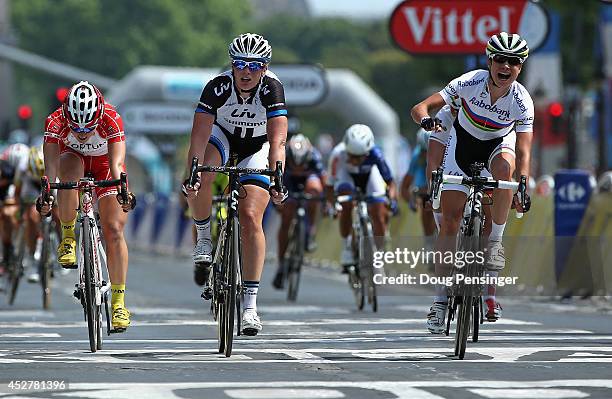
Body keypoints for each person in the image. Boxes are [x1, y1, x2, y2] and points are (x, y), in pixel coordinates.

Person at [411, 32, 533, 333]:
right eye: (500, 60)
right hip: (460, 146)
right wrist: (426, 120)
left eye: (513, 62)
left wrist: (523, 185)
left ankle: (495, 242)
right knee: (450, 224)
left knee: (507, 169)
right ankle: (440, 301)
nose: (506, 66)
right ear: (490, 61)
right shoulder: (469, 82)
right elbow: (420, 109)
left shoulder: (522, 100)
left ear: (520, 68)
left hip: (496, 147)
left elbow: (524, 149)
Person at [182, 33, 287, 336]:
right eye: (240, 64)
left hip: (257, 147)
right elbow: (199, 137)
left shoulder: (272, 88)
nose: (246, 72)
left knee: (252, 217)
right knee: (203, 175)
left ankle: (250, 306)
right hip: (223, 139)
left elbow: (278, 139)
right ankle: (203, 238)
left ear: (265, 68)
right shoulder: (217, 87)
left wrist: (278, 174)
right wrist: (193, 171)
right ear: (231, 65)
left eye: (254, 66)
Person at [36, 81, 136, 332]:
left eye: (88, 125)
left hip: (104, 166)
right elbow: (50, 172)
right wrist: (46, 196)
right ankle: (68, 237)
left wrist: (123, 191)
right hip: (74, 162)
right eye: (75, 125)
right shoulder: (54, 121)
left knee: (113, 230)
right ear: (66, 115)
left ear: (99, 115)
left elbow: (117, 166)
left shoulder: (112, 118)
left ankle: (119, 302)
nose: (81, 131)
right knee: (68, 168)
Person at [326, 124, 398, 270]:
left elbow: (390, 182)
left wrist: (391, 199)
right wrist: (332, 205)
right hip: (346, 177)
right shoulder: (337, 154)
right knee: (346, 203)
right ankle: (346, 246)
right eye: (351, 155)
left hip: (370, 177)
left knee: (378, 211)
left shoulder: (376, 154)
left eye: (359, 157)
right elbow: (329, 185)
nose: (355, 160)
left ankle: (380, 251)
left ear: (368, 152)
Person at [272, 134, 325, 289]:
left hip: (308, 182)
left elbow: (325, 183)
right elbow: (276, 182)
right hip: (288, 183)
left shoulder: (315, 157)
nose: (298, 168)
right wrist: (278, 203)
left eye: (301, 164)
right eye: (294, 164)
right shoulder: (284, 156)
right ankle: (282, 264)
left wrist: (327, 203)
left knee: (314, 191)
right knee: (286, 218)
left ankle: (310, 231)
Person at [401, 129, 436, 252]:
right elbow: (404, 186)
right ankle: (429, 242)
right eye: (423, 151)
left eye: (428, 150)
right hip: (424, 181)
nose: (425, 154)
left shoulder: (448, 151)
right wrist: (412, 200)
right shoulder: (417, 156)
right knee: (426, 203)